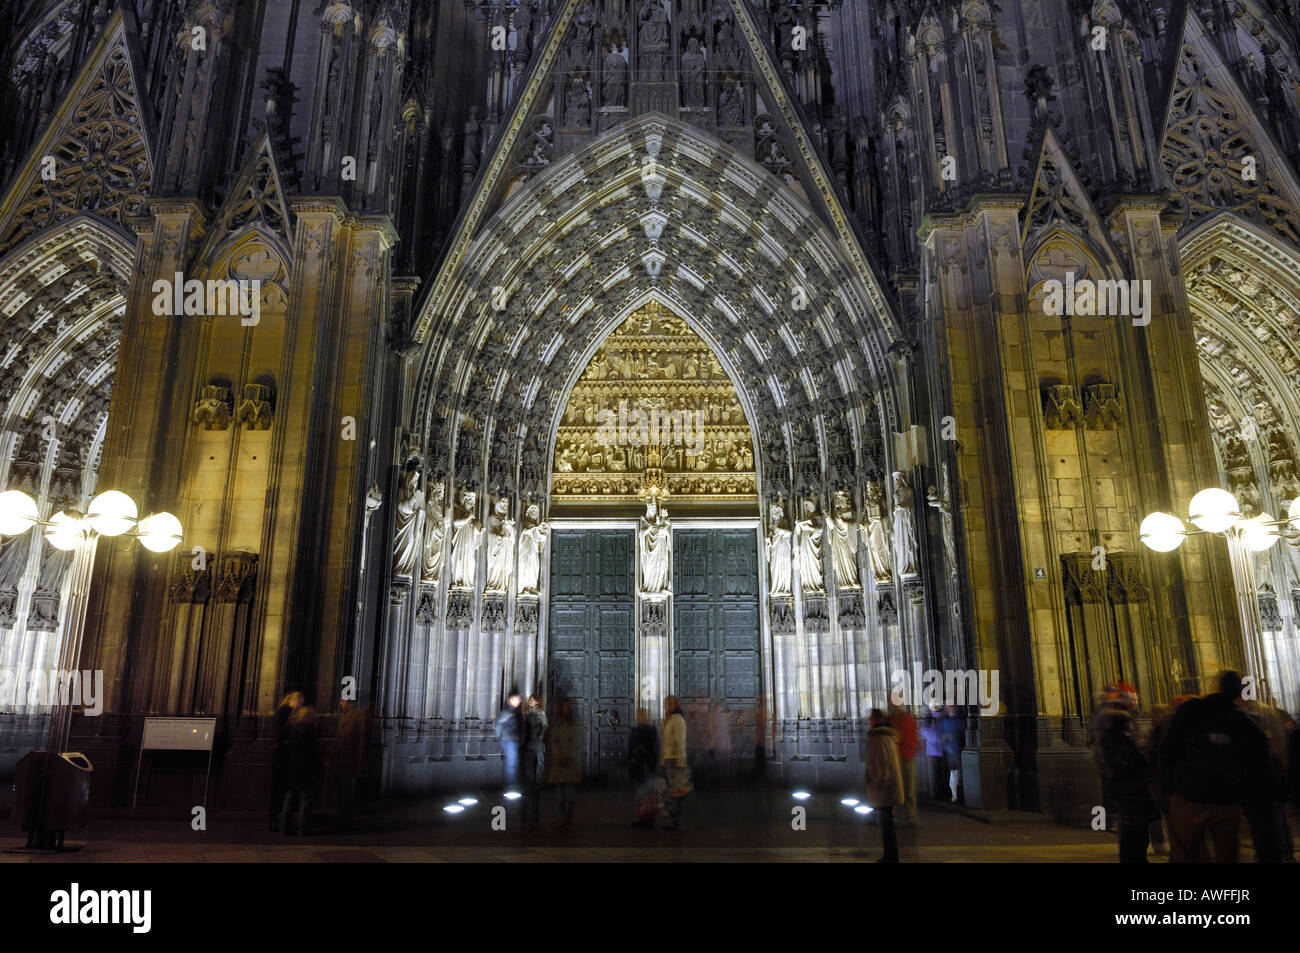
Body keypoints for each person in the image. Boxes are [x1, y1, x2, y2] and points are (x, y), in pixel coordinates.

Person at [1158, 671, 1271, 863]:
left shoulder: (1189, 710)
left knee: (1185, 854)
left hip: (1189, 795)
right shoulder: (1243, 720)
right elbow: (1260, 757)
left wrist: (1167, 789)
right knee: (1227, 854)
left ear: (1215, 686)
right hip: (1227, 798)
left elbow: (1167, 750)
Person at [1098, 707, 1160, 862]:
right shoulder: (1124, 740)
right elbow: (1136, 764)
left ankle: (1130, 857)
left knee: (1128, 826)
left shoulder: (1108, 740)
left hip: (1121, 789)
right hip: (1133, 791)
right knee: (1136, 829)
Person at [865, 708, 903, 862]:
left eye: (870, 718)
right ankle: (889, 856)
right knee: (887, 825)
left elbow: (883, 765)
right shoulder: (883, 736)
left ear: (876, 719)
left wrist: (878, 784)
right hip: (886, 788)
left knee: (887, 826)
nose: (868, 721)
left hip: (885, 789)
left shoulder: (880, 738)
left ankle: (891, 858)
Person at [281, 704, 319, 836]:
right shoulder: (308, 731)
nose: (314, 717)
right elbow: (312, 753)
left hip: (293, 768)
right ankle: (304, 829)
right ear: (306, 716)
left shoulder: (294, 729)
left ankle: (284, 828)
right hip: (306, 770)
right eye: (312, 715)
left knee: (290, 798)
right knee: (305, 800)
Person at [269, 691, 302, 831]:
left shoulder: (283, 712)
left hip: (282, 756)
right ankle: (277, 820)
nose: (300, 705)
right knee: (281, 790)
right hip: (284, 757)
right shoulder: (287, 713)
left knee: (280, 790)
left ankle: (276, 819)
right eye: (299, 702)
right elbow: (283, 734)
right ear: (294, 700)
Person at [548, 698, 582, 831]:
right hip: (559, 762)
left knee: (569, 791)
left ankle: (568, 819)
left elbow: (576, 743)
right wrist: (558, 755)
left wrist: (567, 755)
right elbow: (554, 741)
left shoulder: (573, 725)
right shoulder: (558, 724)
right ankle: (560, 818)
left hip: (569, 762)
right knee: (560, 792)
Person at [333, 697, 366, 833]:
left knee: (346, 792)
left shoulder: (354, 715)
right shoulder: (346, 714)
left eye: (342, 701)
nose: (340, 703)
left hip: (347, 759)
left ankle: (346, 821)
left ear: (349, 702)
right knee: (343, 791)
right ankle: (343, 819)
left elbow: (352, 737)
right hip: (343, 759)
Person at [661, 695, 692, 831]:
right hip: (669, 759)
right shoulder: (671, 720)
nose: (664, 707)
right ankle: (675, 821)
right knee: (673, 791)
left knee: (676, 792)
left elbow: (680, 742)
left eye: (667, 704)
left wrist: (681, 761)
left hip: (675, 760)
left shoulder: (678, 720)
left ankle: (677, 823)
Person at [888, 703, 920, 826]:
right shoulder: (892, 719)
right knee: (897, 788)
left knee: (909, 789)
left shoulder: (906, 718)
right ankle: (896, 817)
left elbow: (912, 735)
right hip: (897, 756)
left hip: (906, 755)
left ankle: (910, 818)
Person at [628, 707, 659, 828]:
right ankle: (646, 818)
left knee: (643, 794)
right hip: (641, 766)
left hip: (643, 765)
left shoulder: (646, 731)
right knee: (644, 793)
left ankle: (645, 818)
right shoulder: (648, 730)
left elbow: (653, 750)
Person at [522, 693, 548, 832]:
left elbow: (545, 725)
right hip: (529, 742)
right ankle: (531, 781)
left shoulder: (540, 713)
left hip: (537, 741)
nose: (531, 702)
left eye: (533, 700)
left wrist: (541, 736)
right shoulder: (526, 714)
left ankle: (538, 782)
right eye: (530, 700)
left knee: (540, 762)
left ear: (537, 701)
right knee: (529, 762)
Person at [494, 688, 523, 788]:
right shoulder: (507, 712)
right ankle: (510, 786)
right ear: (510, 699)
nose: (519, 701)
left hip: (513, 740)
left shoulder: (513, 711)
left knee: (513, 762)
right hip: (509, 740)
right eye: (517, 699)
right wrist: (501, 738)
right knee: (511, 763)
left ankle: (512, 784)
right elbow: (498, 725)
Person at [940, 705, 963, 803]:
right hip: (952, 750)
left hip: (956, 749)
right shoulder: (945, 721)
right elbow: (942, 736)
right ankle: (955, 795)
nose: (949, 708)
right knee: (954, 772)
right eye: (947, 707)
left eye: (951, 706)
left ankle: (957, 795)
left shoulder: (956, 720)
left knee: (957, 772)